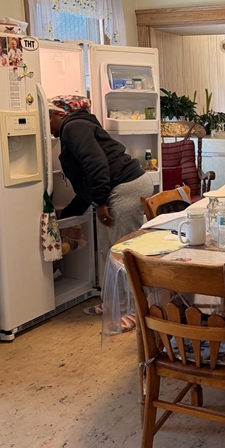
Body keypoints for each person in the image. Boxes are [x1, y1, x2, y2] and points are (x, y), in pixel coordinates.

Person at [48, 95, 154, 315]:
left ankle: (135, 311)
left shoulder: (73, 127)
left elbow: (95, 164)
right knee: (109, 250)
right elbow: (87, 181)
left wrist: (101, 202)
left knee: (124, 252)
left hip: (126, 188)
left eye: (47, 117)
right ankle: (117, 304)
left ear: (60, 114)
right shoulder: (78, 126)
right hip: (122, 187)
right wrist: (66, 217)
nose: (46, 125)